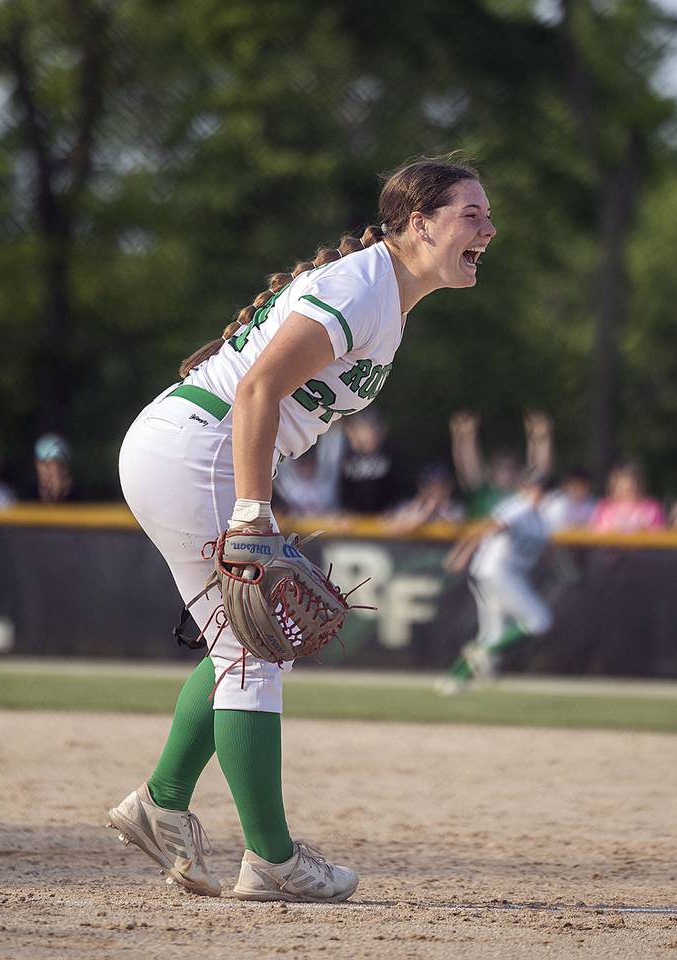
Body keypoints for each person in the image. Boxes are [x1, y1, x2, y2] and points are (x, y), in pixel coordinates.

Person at [109, 156, 494, 903]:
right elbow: (259, 388)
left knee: (240, 644)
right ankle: (273, 862)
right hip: (199, 453)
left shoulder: (384, 294)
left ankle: (160, 804)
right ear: (420, 223)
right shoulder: (363, 287)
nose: (487, 227)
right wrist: (253, 514)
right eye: (470, 214)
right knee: (256, 653)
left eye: (486, 214)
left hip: (190, 447)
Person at [437, 470, 552, 694]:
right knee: (539, 620)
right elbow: (487, 527)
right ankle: (480, 654)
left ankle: (454, 679)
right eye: (534, 487)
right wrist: (461, 553)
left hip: (502, 574)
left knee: (493, 636)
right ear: (523, 488)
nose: (538, 492)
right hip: (497, 573)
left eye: (543, 488)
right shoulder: (519, 507)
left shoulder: (540, 520)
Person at [448, 409, 552, 518]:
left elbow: (540, 469)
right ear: (489, 469)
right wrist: (465, 437)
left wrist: (541, 437)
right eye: (500, 466)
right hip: (481, 534)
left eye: (511, 467)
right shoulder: (481, 489)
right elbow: (466, 464)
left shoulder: (521, 493)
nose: (506, 471)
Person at [337, 410, 406, 514]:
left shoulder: (390, 453)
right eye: (362, 429)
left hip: (386, 517)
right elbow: (344, 487)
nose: (366, 434)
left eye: (370, 428)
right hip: (355, 518)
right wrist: (346, 510)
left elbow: (399, 485)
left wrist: (393, 509)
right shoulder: (349, 456)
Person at [272, 423, 343, 519]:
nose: (306, 468)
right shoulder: (287, 479)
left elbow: (334, 446)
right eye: (303, 464)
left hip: (331, 523)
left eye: (310, 463)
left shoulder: (328, 473)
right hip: (293, 525)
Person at [588, 461, 665, 533]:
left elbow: (660, 532)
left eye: (631, 487)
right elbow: (594, 532)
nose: (626, 489)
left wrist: (643, 529)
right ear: (613, 486)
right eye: (621, 486)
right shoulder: (604, 507)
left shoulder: (652, 507)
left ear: (639, 485)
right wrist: (612, 529)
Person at [384, 463, 465, 531]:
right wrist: (425, 512)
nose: (436, 490)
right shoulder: (409, 506)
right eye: (429, 485)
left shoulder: (456, 509)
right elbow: (389, 528)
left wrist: (440, 509)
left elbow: (457, 530)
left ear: (450, 487)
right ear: (420, 486)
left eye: (442, 486)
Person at [539, 467, 596, 532]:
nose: (578, 489)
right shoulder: (557, 505)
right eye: (574, 485)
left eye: (582, 486)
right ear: (566, 486)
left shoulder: (591, 506)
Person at [33, 434, 76, 503]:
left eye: (61, 465)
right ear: (37, 464)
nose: (55, 471)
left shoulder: (83, 497)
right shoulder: (21, 496)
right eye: (47, 465)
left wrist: (61, 497)